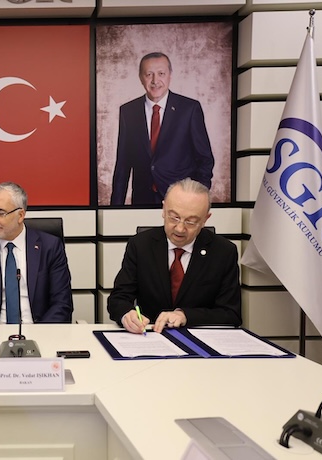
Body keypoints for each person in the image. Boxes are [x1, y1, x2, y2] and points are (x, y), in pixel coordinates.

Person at [108, 178, 241, 334]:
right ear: (163, 210)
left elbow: (231, 314)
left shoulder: (224, 252)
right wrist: (127, 315)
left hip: (199, 340)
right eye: (174, 217)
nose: (180, 228)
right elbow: (118, 299)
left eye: (191, 222)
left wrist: (185, 315)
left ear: (205, 219)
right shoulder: (140, 245)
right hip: (151, 337)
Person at [0, 182, 73, 324]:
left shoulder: (50, 247)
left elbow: (62, 304)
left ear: (20, 215)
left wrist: (40, 334)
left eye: (0, 213)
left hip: (39, 330)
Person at [110, 52, 214, 205]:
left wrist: (196, 199)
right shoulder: (128, 111)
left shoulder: (189, 109)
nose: (155, 80)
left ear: (170, 75)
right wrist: (115, 209)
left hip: (181, 200)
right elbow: (123, 165)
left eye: (161, 74)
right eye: (149, 74)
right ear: (140, 77)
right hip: (142, 200)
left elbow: (205, 159)